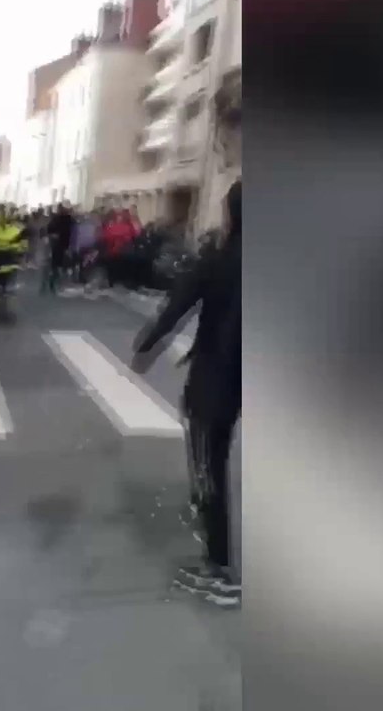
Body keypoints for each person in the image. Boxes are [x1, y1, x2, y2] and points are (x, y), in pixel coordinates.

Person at [131, 180, 242, 608]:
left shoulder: (219, 258)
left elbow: (177, 306)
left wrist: (145, 347)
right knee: (215, 459)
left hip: (212, 382)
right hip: (238, 382)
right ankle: (209, 529)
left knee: (207, 469)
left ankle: (220, 571)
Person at [0, 208, 28, 314]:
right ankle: (2, 298)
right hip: (9, 258)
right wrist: (20, 257)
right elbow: (23, 245)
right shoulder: (18, 229)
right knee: (5, 280)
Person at [43, 203, 75, 295]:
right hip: (59, 246)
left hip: (64, 245)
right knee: (58, 266)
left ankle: (55, 284)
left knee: (60, 266)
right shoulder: (59, 219)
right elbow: (49, 231)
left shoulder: (68, 219)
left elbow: (74, 232)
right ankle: (54, 284)